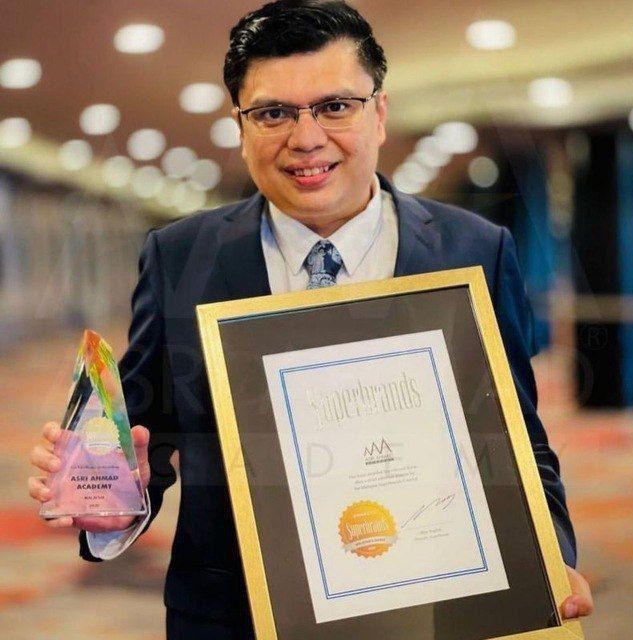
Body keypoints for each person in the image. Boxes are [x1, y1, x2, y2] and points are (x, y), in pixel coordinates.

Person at [29, 1, 593, 637]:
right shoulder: (180, 256)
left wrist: (550, 556)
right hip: (237, 618)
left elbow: (515, 438)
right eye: (273, 113)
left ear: (379, 113)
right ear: (240, 126)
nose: (305, 139)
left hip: (433, 606)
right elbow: (146, 439)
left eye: (335, 106)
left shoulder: (474, 250)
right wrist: (113, 503)